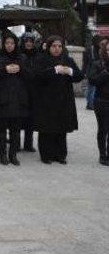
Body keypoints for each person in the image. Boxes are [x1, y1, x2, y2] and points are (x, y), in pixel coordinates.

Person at [33, 36, 84, 164]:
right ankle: (46, 155)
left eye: (60, 46)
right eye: (54, 46)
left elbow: (79, 76)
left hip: (63, 100)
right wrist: (55, 70)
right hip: (46, 100)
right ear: (49, 47)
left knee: (62, 129)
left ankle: (60, 155)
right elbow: (37, 76)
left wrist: (70, 71)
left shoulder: (68, 60)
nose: (57, 49)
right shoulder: (41, 59)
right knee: (46, 129)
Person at [0, 33, 31, 166]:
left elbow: (30, 76)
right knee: (1, 130)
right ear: (3, 44)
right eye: (7, 43)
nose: (9, 45)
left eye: (12, 43)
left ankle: (13, 154)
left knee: (15, 130)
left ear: (16, 44)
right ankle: (2, 154)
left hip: (18, 99)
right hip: (2, 98)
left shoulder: (22, 57)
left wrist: (20, 69)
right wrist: (4, 69)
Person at [88, 43, 109, 166]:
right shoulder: (97, 64)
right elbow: (93, 80)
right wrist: (106, 72)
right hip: (102, 101)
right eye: (108, 50)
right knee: (103, 129)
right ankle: (103, 155)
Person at [20, 32, 39, 152]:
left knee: (31, 119)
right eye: (26, 41)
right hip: (21, 89)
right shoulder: (19, 55)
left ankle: (28, 144)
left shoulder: (37, 55)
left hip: (33, 90)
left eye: (31, 41)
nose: (28, 43)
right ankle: (16, 143)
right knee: (18, 117)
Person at [84, 35, 109, 110]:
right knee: (91, 90)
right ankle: (90, 104)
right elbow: (86, 62)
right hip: (102, 101)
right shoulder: (90, 50)